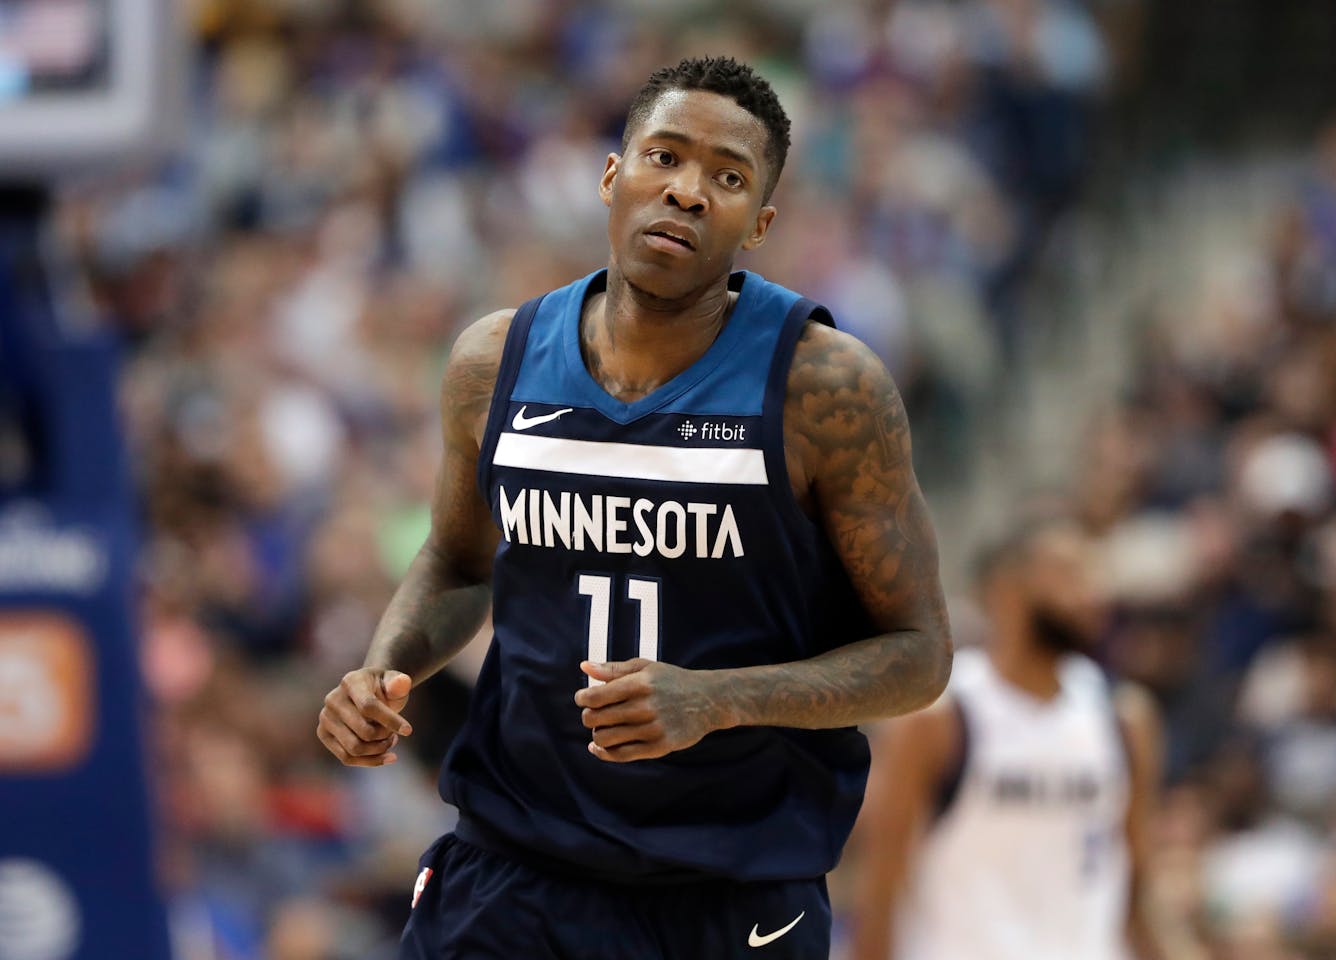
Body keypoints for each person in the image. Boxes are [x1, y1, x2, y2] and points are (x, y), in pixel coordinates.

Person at [316, 56, 953, 959]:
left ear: (760, 222)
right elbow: (458, 564)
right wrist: (384, 671)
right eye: (665, 156)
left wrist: (716, 701)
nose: (688, 192)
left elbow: (921, 655)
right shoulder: (493, 360)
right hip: (511, 870)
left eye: (727, 177)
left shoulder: (824, 386)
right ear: (613, 175)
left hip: (725, 895)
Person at [849, 517, 1164, 960]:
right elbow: (880, 888)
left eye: (1095, 574)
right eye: (1070, 572)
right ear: (1006, 588)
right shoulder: (939, 718)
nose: (1092, 592)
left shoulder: (1124, 717)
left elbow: (1139, 889)